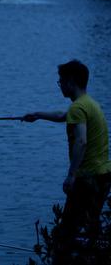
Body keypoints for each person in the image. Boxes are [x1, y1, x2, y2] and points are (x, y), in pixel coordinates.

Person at [22, 60, 111, 254]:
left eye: (61, 81)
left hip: (87, 178)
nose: (60, 85)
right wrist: (37, 115)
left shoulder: (78, 108)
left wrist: (71, 175)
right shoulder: (89, 104)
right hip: (103, 175)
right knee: (91, 229)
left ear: (71, 81)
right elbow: (64, 115)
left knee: (63, 235)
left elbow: (81, 141)